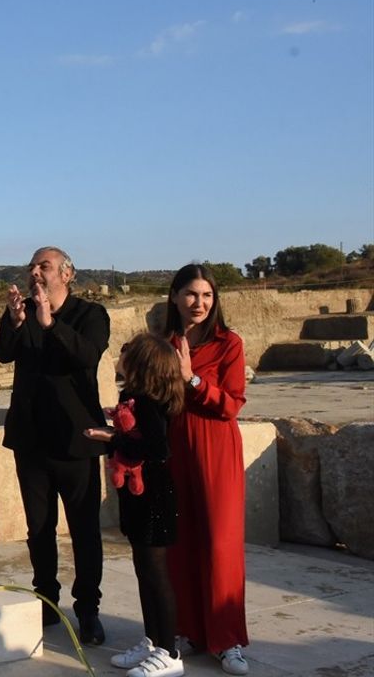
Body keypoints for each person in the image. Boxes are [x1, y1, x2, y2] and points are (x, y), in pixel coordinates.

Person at [0, 246, 110, 645]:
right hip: (31, 441)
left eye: (44, 265)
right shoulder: (21, 310)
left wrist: (49, 323)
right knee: (39, 529)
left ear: (66, 274)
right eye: (31, 267)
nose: (35, 272)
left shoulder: (90, 315)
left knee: (84, 529)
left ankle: (88, 609)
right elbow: (2, 353)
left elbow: (86, 356)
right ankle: (46, 600)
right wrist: (15, 321)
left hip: (76, 441)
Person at [163, 264, 249, 675]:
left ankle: (227, 638)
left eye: (207, 295)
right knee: (181, 542)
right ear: (175, 296)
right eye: (191, 294)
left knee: (220, 542)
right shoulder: (163, 342)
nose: (199, 303)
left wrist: (192, 380)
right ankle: (187, 631)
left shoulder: (229, 343)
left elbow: (232, 404)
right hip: (174, 448)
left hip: (216, 448)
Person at [85, 333, 186, 677]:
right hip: (138, 497)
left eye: (128, 352)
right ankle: (152, 640)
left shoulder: (148, 401)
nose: (122, 355)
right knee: (143, 570)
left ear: (142, 364)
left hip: (155, 498)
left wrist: (114, 437)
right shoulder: (132, 397)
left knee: (156, 574)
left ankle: (170, 653)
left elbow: (157, 449)